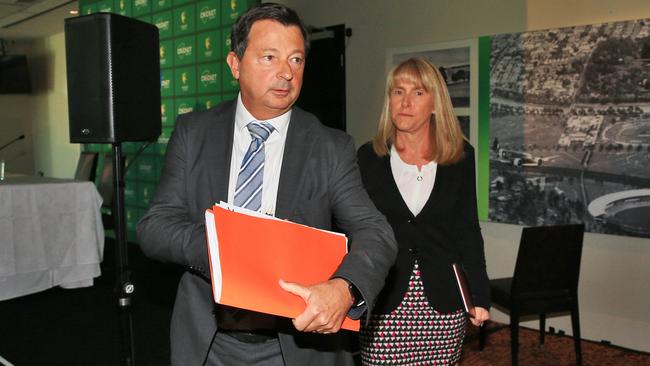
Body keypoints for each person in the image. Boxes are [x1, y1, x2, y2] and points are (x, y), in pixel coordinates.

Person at [136, 3, 397, 366]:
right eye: (269, 57)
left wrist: (344, 288)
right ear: (235, 64)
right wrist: (229, 250)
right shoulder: (193, 133)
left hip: (296, 344)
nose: (286, 73)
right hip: (208, 340)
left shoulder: (329, 146)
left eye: (296, 60)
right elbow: (155, 226)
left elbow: (376, 231)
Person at [356, 57, 491, 365]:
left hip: (443, 300)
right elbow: (356, 230)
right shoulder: (368, 157)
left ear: (435, 103)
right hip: (384, 300)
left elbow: (467, 229)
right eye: (397, 91)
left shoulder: (460, 157)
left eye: (417, 93)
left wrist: (479, 295)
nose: (405, 102)